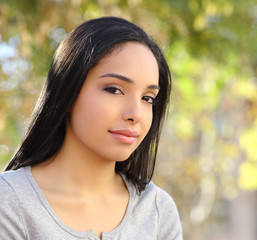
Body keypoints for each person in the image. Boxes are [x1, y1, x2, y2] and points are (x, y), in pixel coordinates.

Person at [0, 17, 182, 240]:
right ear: (68, 91)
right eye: (114, 90)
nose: (135, 114)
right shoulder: (9, 203)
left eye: (147, 98)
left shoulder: (157, 210)